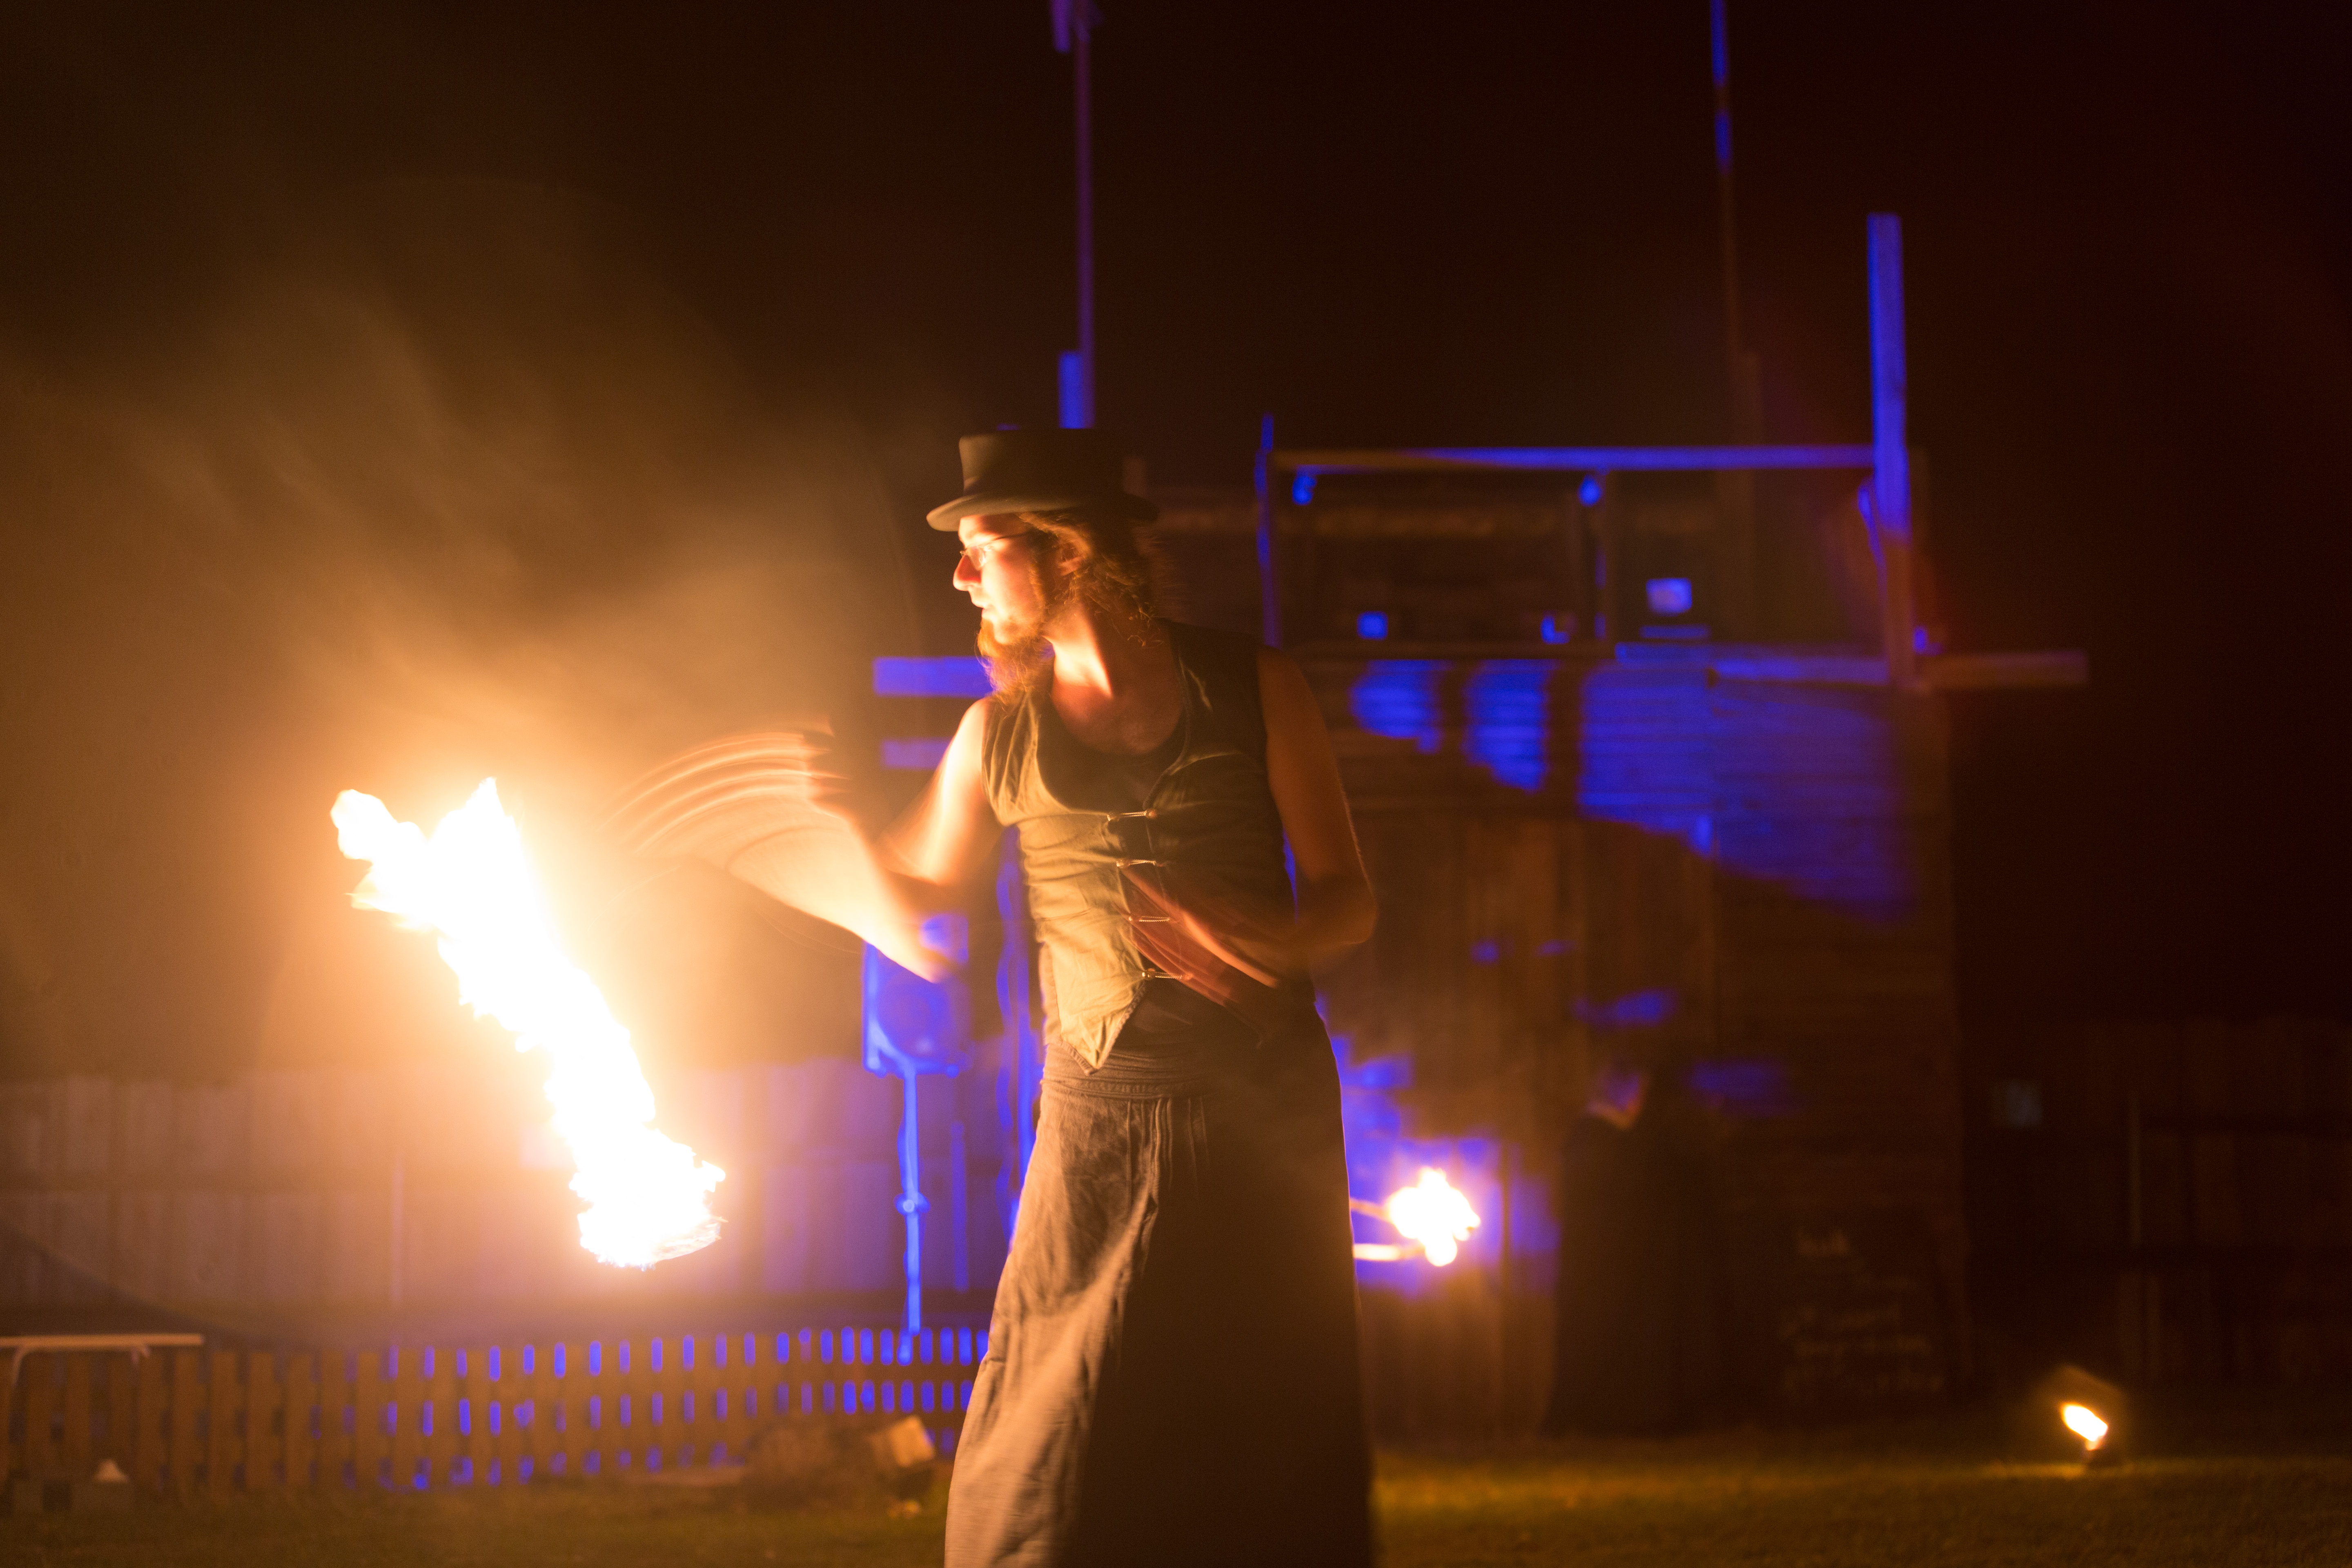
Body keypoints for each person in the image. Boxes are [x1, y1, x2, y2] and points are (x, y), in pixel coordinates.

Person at [856, 429, 1377, 1566]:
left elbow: (1350, 900)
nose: (962, 574)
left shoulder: (1255, 687)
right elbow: (905, 888)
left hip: (1262, 1113)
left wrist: (1279, 938)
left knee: (1262, 1419)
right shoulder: (998, 733)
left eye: (984, 544)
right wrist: (798, 833)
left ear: (1069, 549)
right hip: (1098, 1120)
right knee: (1055, 1432)